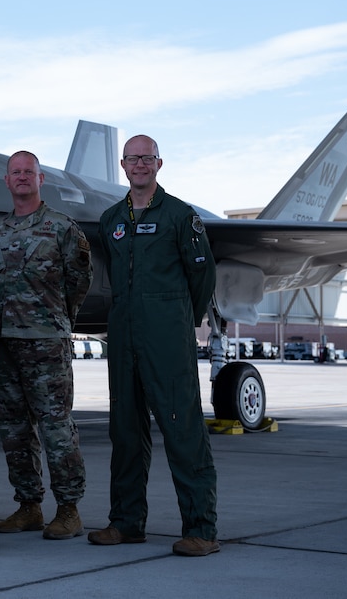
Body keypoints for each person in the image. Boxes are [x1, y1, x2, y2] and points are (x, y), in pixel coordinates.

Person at [92, 135, 220, 557]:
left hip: (167, 340)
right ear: (124, 166)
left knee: (182, 429)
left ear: (159, 164)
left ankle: (201, 528)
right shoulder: (111, 218)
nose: (140, 165)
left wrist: (177, 319)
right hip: (123, 338)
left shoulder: (182, 216)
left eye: (147, 158)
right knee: (125, 432)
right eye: (133, 159)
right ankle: (126, 523)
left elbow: (202, 279)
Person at [0, 151, 92, 540]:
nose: (21, 178)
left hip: (47, 342)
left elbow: (78, 282)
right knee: (13, 428)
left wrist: (55, 320)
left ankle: (69, 509)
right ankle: (28, 505)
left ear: (40, 179)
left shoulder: (62, 227)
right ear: (7, 180)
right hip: (6, 341)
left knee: (55, 427)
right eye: (15, 172)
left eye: (28, 172)